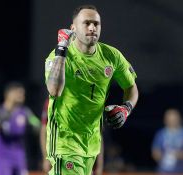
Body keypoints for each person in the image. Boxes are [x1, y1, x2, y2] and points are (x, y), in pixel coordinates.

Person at [44, 4, 139, 175]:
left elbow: (131, 86)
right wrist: (61, 49)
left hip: (92, 144)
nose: (92, 28)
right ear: (73, 28)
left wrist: (126, 109)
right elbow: (54, 90)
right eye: (86, 23)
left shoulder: (111, 56)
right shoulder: (59, 56)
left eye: (96, 24)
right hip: (64, 143)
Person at [0, 82, 40, 175]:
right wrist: (2, 120)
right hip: (1, 157)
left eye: (23, 93)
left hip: (19, 157)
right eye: (19, 93)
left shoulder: (25, 112)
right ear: (9, 94)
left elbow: (38, 126)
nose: (22, 96)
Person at [39, 98, 104, 175]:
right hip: (65, 154)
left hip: (88, 157)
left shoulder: (92, 99)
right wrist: (45, 157)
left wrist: (99, 165)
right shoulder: (54, 100)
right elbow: (44, 130)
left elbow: (97, 135)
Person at [151, 108, 183, 173]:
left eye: (174, 119)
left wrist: (180, 155)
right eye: (170, 119)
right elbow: (155, 153)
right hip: (164, 171)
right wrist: (165, 156)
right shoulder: (160, 134)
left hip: (182, 171)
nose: (172, 121)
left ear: (179, 119)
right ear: (165, 120)